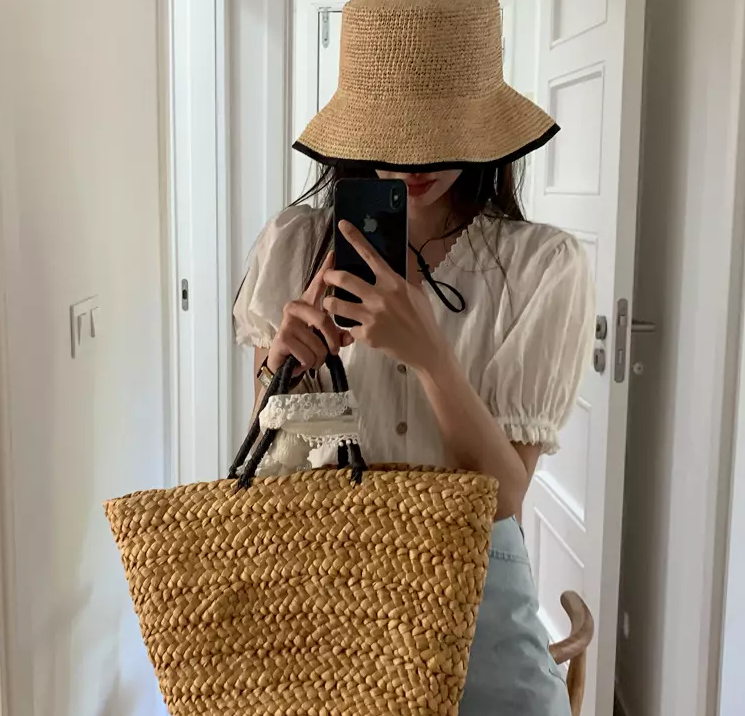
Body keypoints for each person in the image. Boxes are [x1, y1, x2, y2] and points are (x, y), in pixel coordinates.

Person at [233, 0, 594, 713]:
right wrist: (285, 370)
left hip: (475, 625)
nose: (414, 161)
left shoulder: (539, 267)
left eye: (439, 133)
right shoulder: (295, 247)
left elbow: (503, 500)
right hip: (322, 613)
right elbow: (269, 470)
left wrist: (430, 355)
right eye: (392, 133)